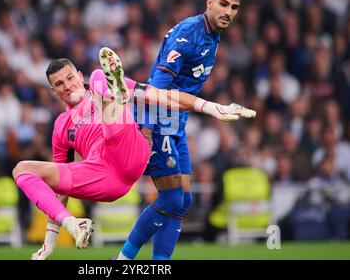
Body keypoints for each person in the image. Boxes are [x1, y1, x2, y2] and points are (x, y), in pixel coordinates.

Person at [14, 47, 255, 259]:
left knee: (99, 76)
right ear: (54, 92)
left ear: (79, 76)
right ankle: (75, 226)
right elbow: (60, 190)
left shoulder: (95, 83)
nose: (67, 87)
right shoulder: (60, 126)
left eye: (70, 79)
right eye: (59, 85)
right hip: (104, 178)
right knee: (22, 170)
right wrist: (49, 244)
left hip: (130, 151)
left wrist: (212, 108)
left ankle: (115, 95)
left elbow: (165, 98)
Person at [116, 0, 247, 260]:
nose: (228, 11)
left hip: (177, 122)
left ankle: (160, 263)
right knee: (172, 199)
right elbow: (155, 92)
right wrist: (148, 128)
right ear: (209, 3)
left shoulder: (213, 35)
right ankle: (123, 260)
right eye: (223, 4)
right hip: (157, 120)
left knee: (183, 200)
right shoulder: (188, 35)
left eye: (234, 7)